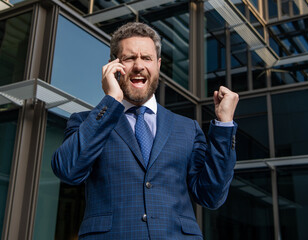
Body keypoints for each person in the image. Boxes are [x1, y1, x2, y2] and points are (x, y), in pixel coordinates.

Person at [52, 22, 239, 240]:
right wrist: (111, 100)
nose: (139, 66)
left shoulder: (187, 128)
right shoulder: (86, 122)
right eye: (129, 58)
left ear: (158, 65)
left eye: (147, 58)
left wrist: (224, 124)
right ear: (113, 65)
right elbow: (67, 171)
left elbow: (211, 196)